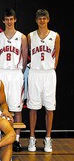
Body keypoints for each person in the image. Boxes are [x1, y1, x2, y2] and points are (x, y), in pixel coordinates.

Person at [0, 8, 28, 152]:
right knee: (0, 106)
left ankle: (17, 140)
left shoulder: (22, 37)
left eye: (11, 19)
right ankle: (1, 137)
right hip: (1, 72)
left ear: (15, 20)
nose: (9, 22)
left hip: (15, 73)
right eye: (6, 19)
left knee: (16, 108)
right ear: (3, 20)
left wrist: (19, 70)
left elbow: (25, 58)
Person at [27, 9, 60, 153]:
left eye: (44, 18)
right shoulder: (30, 36)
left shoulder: (55, 36)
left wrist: (52, 67)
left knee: (49, 108)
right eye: (39, 18)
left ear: (48, 19)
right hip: (34, 72)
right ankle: (32, 138)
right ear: (36, 20)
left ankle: (48, 138)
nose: (42, 21)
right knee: (33, 107)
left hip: (48, 73)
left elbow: (56, 55)